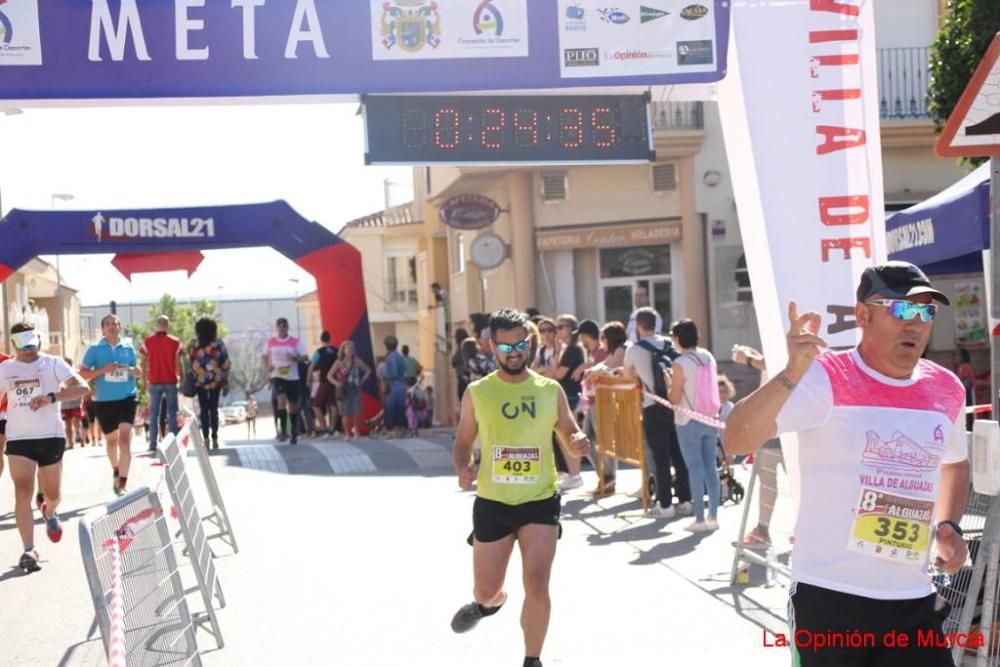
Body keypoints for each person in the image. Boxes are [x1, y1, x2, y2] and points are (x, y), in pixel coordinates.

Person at [724, 261, 969, 666]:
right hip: (830, 597)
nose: (917, 324)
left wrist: (950, 526)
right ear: (863, 315)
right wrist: (790, 373)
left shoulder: (945, 388)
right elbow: (736, 439)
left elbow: (955, 464)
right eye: (903, 309)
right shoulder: (824, 376)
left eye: (927, 312)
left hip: (911, 601)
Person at [450, 308, 590, 667]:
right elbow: (464, 440)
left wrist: (577, 441)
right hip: (493, 502)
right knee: (487, 589)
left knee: (538, 583)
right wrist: (463, 466)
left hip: (539, 500)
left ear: (529, 342)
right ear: (491, 347)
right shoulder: (478, 392)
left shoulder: (549, 389)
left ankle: (532, 660)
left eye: (520, 344)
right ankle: (488, 604)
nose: (514, 352)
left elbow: (569, 429)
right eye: (505, 346)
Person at [0, 323, 89, 572]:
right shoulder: (5, 369)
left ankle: (49, 511)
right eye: (24, 345)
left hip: (50, 436)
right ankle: (29, 549)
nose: (30, 350)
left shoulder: (53, 363)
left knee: (53, 495)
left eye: (33, 344)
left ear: (39, 341)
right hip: (18, 439)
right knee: (22, 491)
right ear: (15, 345)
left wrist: (52, 398)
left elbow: (83, 387)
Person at [623, 307, 692, 518]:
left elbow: (628, 377)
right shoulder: (670, 344)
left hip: (652, 407)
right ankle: (686, 501)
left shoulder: (634, 350)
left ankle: (665, 505)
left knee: (661, 458)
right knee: (679, 455)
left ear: (639, 326)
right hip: (676, 404)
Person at [668, 318, 722, 533]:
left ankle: (699, 518)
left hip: (688, 420)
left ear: (678, 338)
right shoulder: (707, 356)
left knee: (695, 468)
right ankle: (713, 516)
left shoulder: (680, 363)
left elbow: (674, 397)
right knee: (711, 468)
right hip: (710, 418)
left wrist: (668, 381)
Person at [730, 344, 786, 548]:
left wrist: (749, 359)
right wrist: (755, 357)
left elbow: (780, 364)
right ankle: (803, 530)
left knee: (768, 479)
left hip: (776, 421)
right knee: (781, 479)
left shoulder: (785, 328)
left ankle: (763, 530)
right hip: (781, 422)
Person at [81, 313, 140, 496]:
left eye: (115, 323)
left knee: (124, 438)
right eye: (107, 324)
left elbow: (136, 370)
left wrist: (133, 371)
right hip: (105, 401)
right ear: (103, 329)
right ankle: (116, 469)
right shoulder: (95, 349)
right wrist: (103, 370)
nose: (111, 326)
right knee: (112, 441)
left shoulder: (128, 348)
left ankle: (122, 482)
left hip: (127, 398)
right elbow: (83, 373)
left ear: (120, 327)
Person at [582, 321, 628, 495]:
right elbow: (601, 367)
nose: (602, 341)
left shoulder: (621, 350)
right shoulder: (613, 351)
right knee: (587, 439)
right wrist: (591, 372)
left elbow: (609, 369)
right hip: (597, 400)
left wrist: (593, 373)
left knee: (605, 441)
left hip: (607, 401)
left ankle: (608, 478)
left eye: (604, 337)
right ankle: (605, 476)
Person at [262, 317, 308, 444]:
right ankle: (283, 431)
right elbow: (264, 355)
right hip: (277, 375)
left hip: (292, 376)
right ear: (276, 328)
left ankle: (293, 430)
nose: (282, 329)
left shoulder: (295, 342)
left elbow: (305, 357)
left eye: (284, 326)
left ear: (288, 328)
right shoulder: (271, 342)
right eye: (280, 327)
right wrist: (267, 366)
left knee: (292, 405)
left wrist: (294, 358)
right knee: (281, 400)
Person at [140, 315, 182, 452]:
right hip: (170, 380)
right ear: (168, 325)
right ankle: (174, 441)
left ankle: (153, 443)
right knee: (172, 412)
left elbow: (143, 362)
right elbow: (178, 362)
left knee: (154, 413)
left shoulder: (148, 342)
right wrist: (180, 377)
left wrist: (144, 379)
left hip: (154, 380)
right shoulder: (175, 342)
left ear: (156, 325)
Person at [553, 315, 585, 492]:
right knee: (562, 436)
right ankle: (573, 474)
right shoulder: (567, 349)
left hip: (570, 396)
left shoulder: (573, 349)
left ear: (571, 329)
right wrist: (557, 350)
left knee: (568, 434)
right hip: (568, 394)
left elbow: (557, 374)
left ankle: (575, 474)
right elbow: (555, 370)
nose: (557, 330)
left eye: (561, 327)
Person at [188, 317, 230, 450]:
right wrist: (221, 374)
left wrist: (200, 372)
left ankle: (205, 438)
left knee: (204, 410)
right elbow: (226, 362)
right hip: (215, 381)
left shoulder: (194, 344)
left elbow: (191, 361)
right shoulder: (218, 343)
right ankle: (215, 437)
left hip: (200, 381)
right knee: (214, 410)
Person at [329, 340, 371, 440]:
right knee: (345, 412)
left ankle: (356, 430)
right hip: (343, 389)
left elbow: (368, 370)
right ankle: (347, 433)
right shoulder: (338, 362)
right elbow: (329, 375)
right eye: (349, 348)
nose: (351, 350)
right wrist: (336, 383)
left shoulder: (357, 361)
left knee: (357, 411)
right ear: (343, 350)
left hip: (355, 388)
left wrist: (363, 379)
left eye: (352, 348)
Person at [307, 331, 339, 438]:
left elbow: (311, 367)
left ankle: (324, 427)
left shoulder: (319, 352)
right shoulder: (336, 351)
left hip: (324, 382)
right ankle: (332, 429)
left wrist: (308, 380)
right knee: (333, 405)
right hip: (335, 382)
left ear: (321, 340)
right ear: (330, 339)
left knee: (316, 405)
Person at [381, 336, 408, 438]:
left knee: (393, 409)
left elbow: (392, 372)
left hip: (394, 386)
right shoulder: (400, 356)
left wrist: (384, 375)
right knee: (400, 409)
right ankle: (401, 429)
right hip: (401, 385)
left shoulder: (391, 357)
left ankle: (395, 430)